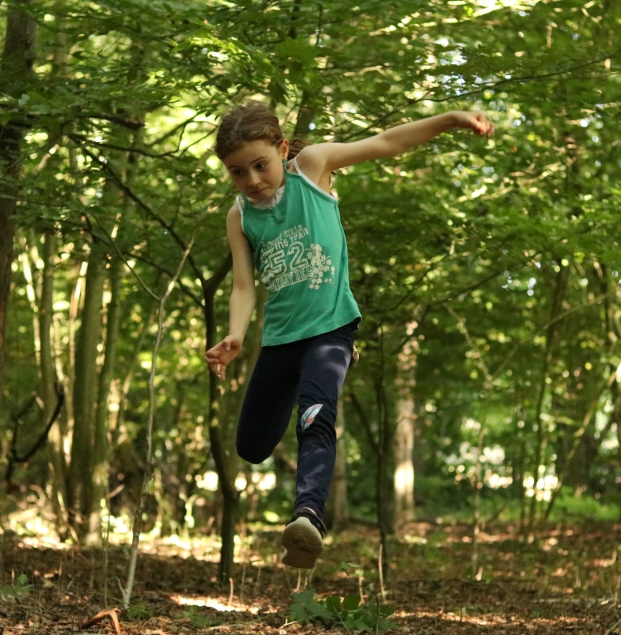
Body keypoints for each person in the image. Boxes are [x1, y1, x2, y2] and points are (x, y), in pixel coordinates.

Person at [205, 100, 494, 569]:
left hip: (330, 328)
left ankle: (308, 517)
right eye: (239, 173)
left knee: (314, 419)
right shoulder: (240, 216)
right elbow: (243, 285)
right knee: (252, 447)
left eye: (261, 165)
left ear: (282, 149)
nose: (253, 180)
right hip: (280, 339)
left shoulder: (312, 169)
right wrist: (235, 335)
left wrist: (451, 120)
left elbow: (386, 142)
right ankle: (317, 378)